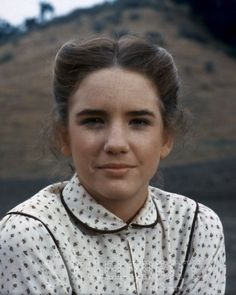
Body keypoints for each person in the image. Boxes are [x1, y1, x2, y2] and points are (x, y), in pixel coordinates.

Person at [0, 35, 226, 295]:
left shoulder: (197, 228)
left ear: (165, 138)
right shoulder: (29, 235)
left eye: (139, 121)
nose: (116, 143)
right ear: (65, 136)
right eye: (94, 120)